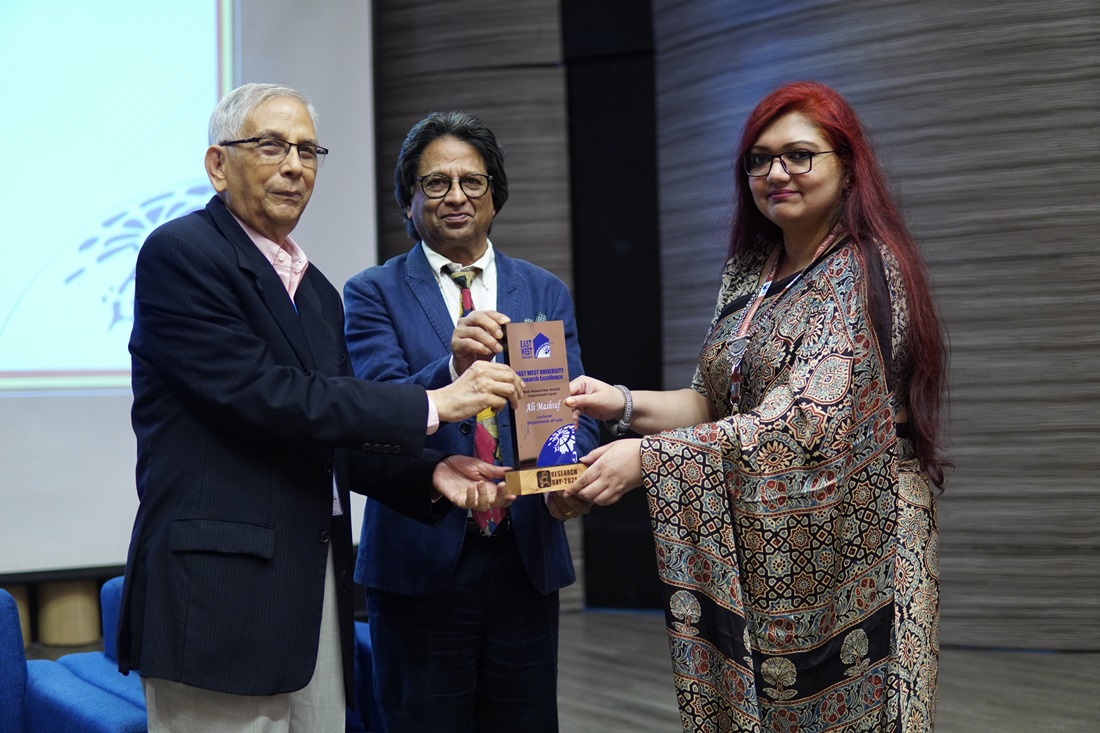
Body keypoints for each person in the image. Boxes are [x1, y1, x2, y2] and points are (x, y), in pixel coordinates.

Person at [118, 84, 522, 733]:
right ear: (218, 164)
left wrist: (429, 474)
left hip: (312, 589)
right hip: (219, 593)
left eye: (308, 150)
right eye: (271, 146)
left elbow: (329, 432)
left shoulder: (318, 293)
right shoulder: (182, 253)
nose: (294, 166)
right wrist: (434, 401)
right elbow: (267, 397)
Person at [565, 81, 949, 732]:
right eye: (759, 159)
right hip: (772, 551)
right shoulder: (752, 270)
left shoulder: (864, 268)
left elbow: (803, 422)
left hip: (864, 548)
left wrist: (649, 459)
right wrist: (618, 403)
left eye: (799, 155)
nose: (776, 173)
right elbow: (711, 401)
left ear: (847, 164)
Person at [343, 110, 600, 733]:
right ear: (408, 202)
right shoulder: (372, 292)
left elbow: (576, 405)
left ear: (495, 195)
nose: (455, 195)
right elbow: (373, 415)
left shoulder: (542, 290)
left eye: (472, 181)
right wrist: (449, 369)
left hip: (525, 556)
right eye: (435, 183)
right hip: (418, 559)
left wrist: (573, 473)